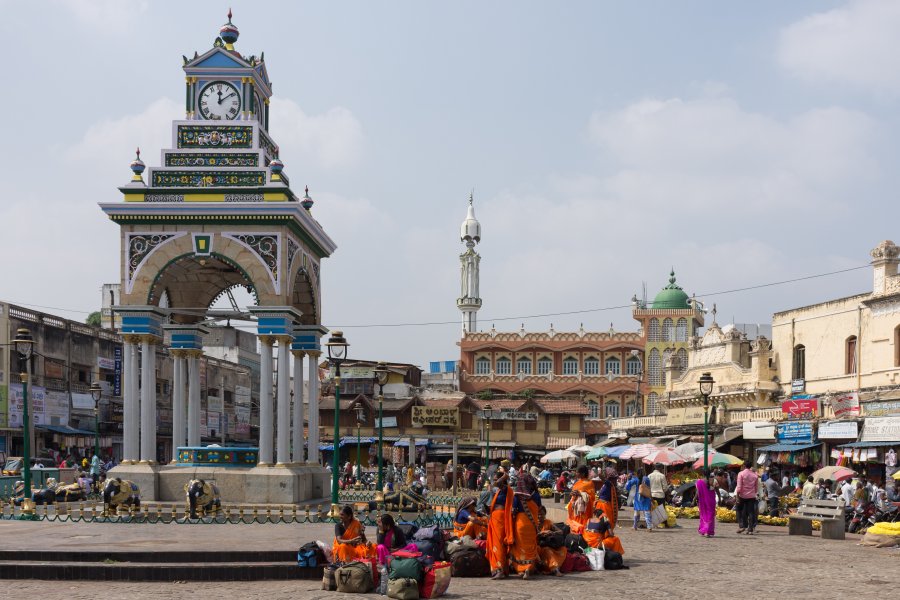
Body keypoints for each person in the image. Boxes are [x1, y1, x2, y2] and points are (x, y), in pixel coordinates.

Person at [509, 472, 540, 579]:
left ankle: (520, 569)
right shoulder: (535, 495)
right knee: (530, 546)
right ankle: (528, 568)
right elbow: (539, 509)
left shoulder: (517, 496)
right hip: (531, 525)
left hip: (520, 524)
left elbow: (513, 511)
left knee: (519, 547)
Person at [487, 470, 513, 580]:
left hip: (501, 518)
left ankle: (500, 569)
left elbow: (496, 484)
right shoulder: (499, 491)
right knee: (495, 544)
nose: (494, 481)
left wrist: (504, 476)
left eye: (496, 479)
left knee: (499, 544)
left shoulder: (506, 489)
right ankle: (499, 569)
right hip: (495, 517)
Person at [536, 505, 565, 576]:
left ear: (545, 515)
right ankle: (555, 569)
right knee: (547, 551)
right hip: (537, 547)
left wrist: (551, 532)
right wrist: (540, 534)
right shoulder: (533, 523)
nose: (540, 516)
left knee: (563, 549)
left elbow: (560, 531)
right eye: (538, 514)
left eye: (542, 514)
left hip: (547, 544)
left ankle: (555, 568)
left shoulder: (548, 522)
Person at [565, 465, 595, 534]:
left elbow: (592, 497)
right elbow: (573, 493)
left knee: (583, 527)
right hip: (575, 508)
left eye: (577, 472)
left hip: (584, 509)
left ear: (583, 473)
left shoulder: (589, 483)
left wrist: (581, 494)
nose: (576, 473)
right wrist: (572, 493)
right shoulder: (577, 482)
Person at [735, 462, 759, 535]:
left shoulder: (741, 473)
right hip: (751, 496)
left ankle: (742, 525)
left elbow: (739, 486)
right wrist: (754, 493)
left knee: (739, 510)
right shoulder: (755, 475)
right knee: (751, 512)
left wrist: (737, 496)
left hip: (742, 495)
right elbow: (756, 487)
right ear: (750, 466)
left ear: (744, 466)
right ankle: (750, 529)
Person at [696, 471, 716, 537]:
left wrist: (694, 500)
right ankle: (708, 531)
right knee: (710, 516)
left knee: (704, 515)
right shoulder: (712, 481)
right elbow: (715, 489)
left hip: (702, 502)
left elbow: (697, 493)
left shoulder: (699, 482)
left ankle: (704, 530)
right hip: (711, 501)